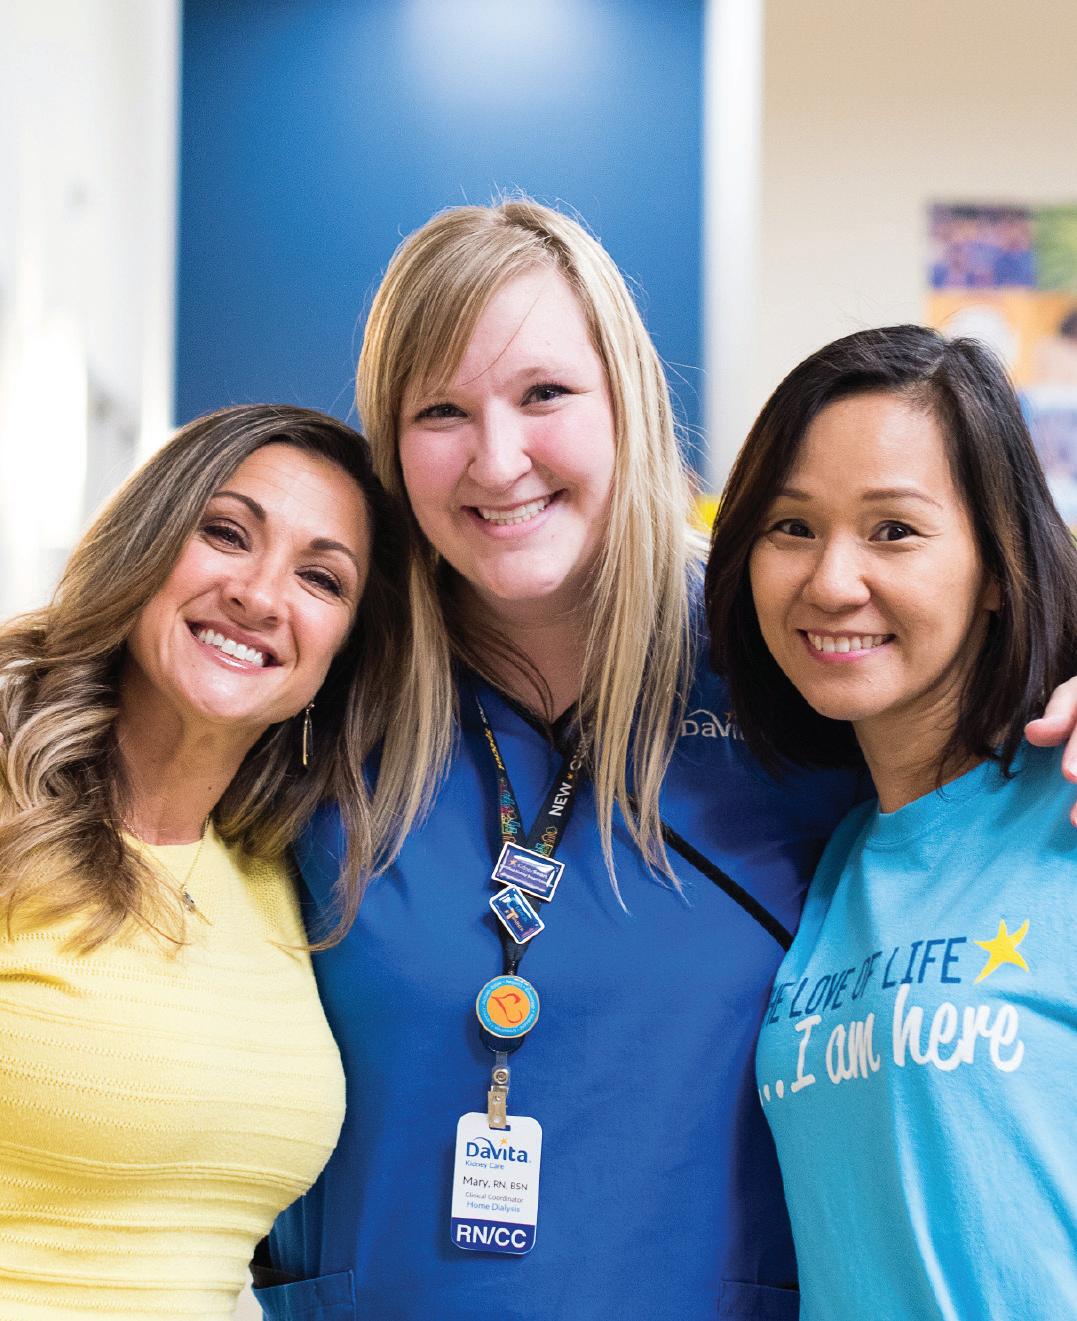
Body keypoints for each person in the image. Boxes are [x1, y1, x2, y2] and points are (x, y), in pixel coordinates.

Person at [261, 200, 862, 1321]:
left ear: (627, 400)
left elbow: (991, 700)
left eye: (544, 394)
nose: (498, 460)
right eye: (441, 410)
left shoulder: (792, 661)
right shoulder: (319, 682)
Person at [0, 404, 418, 1320]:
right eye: (226, 533)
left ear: (343, 651)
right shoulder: (10, 808)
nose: (260, 596)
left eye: (320, 578)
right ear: (143, 547)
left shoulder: (279, 877)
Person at [705, 325, 1077, 1319]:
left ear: (996, 565)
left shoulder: (1068, 806)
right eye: (791, 526)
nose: (832, 581)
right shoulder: (834, 859)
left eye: (894, 530)